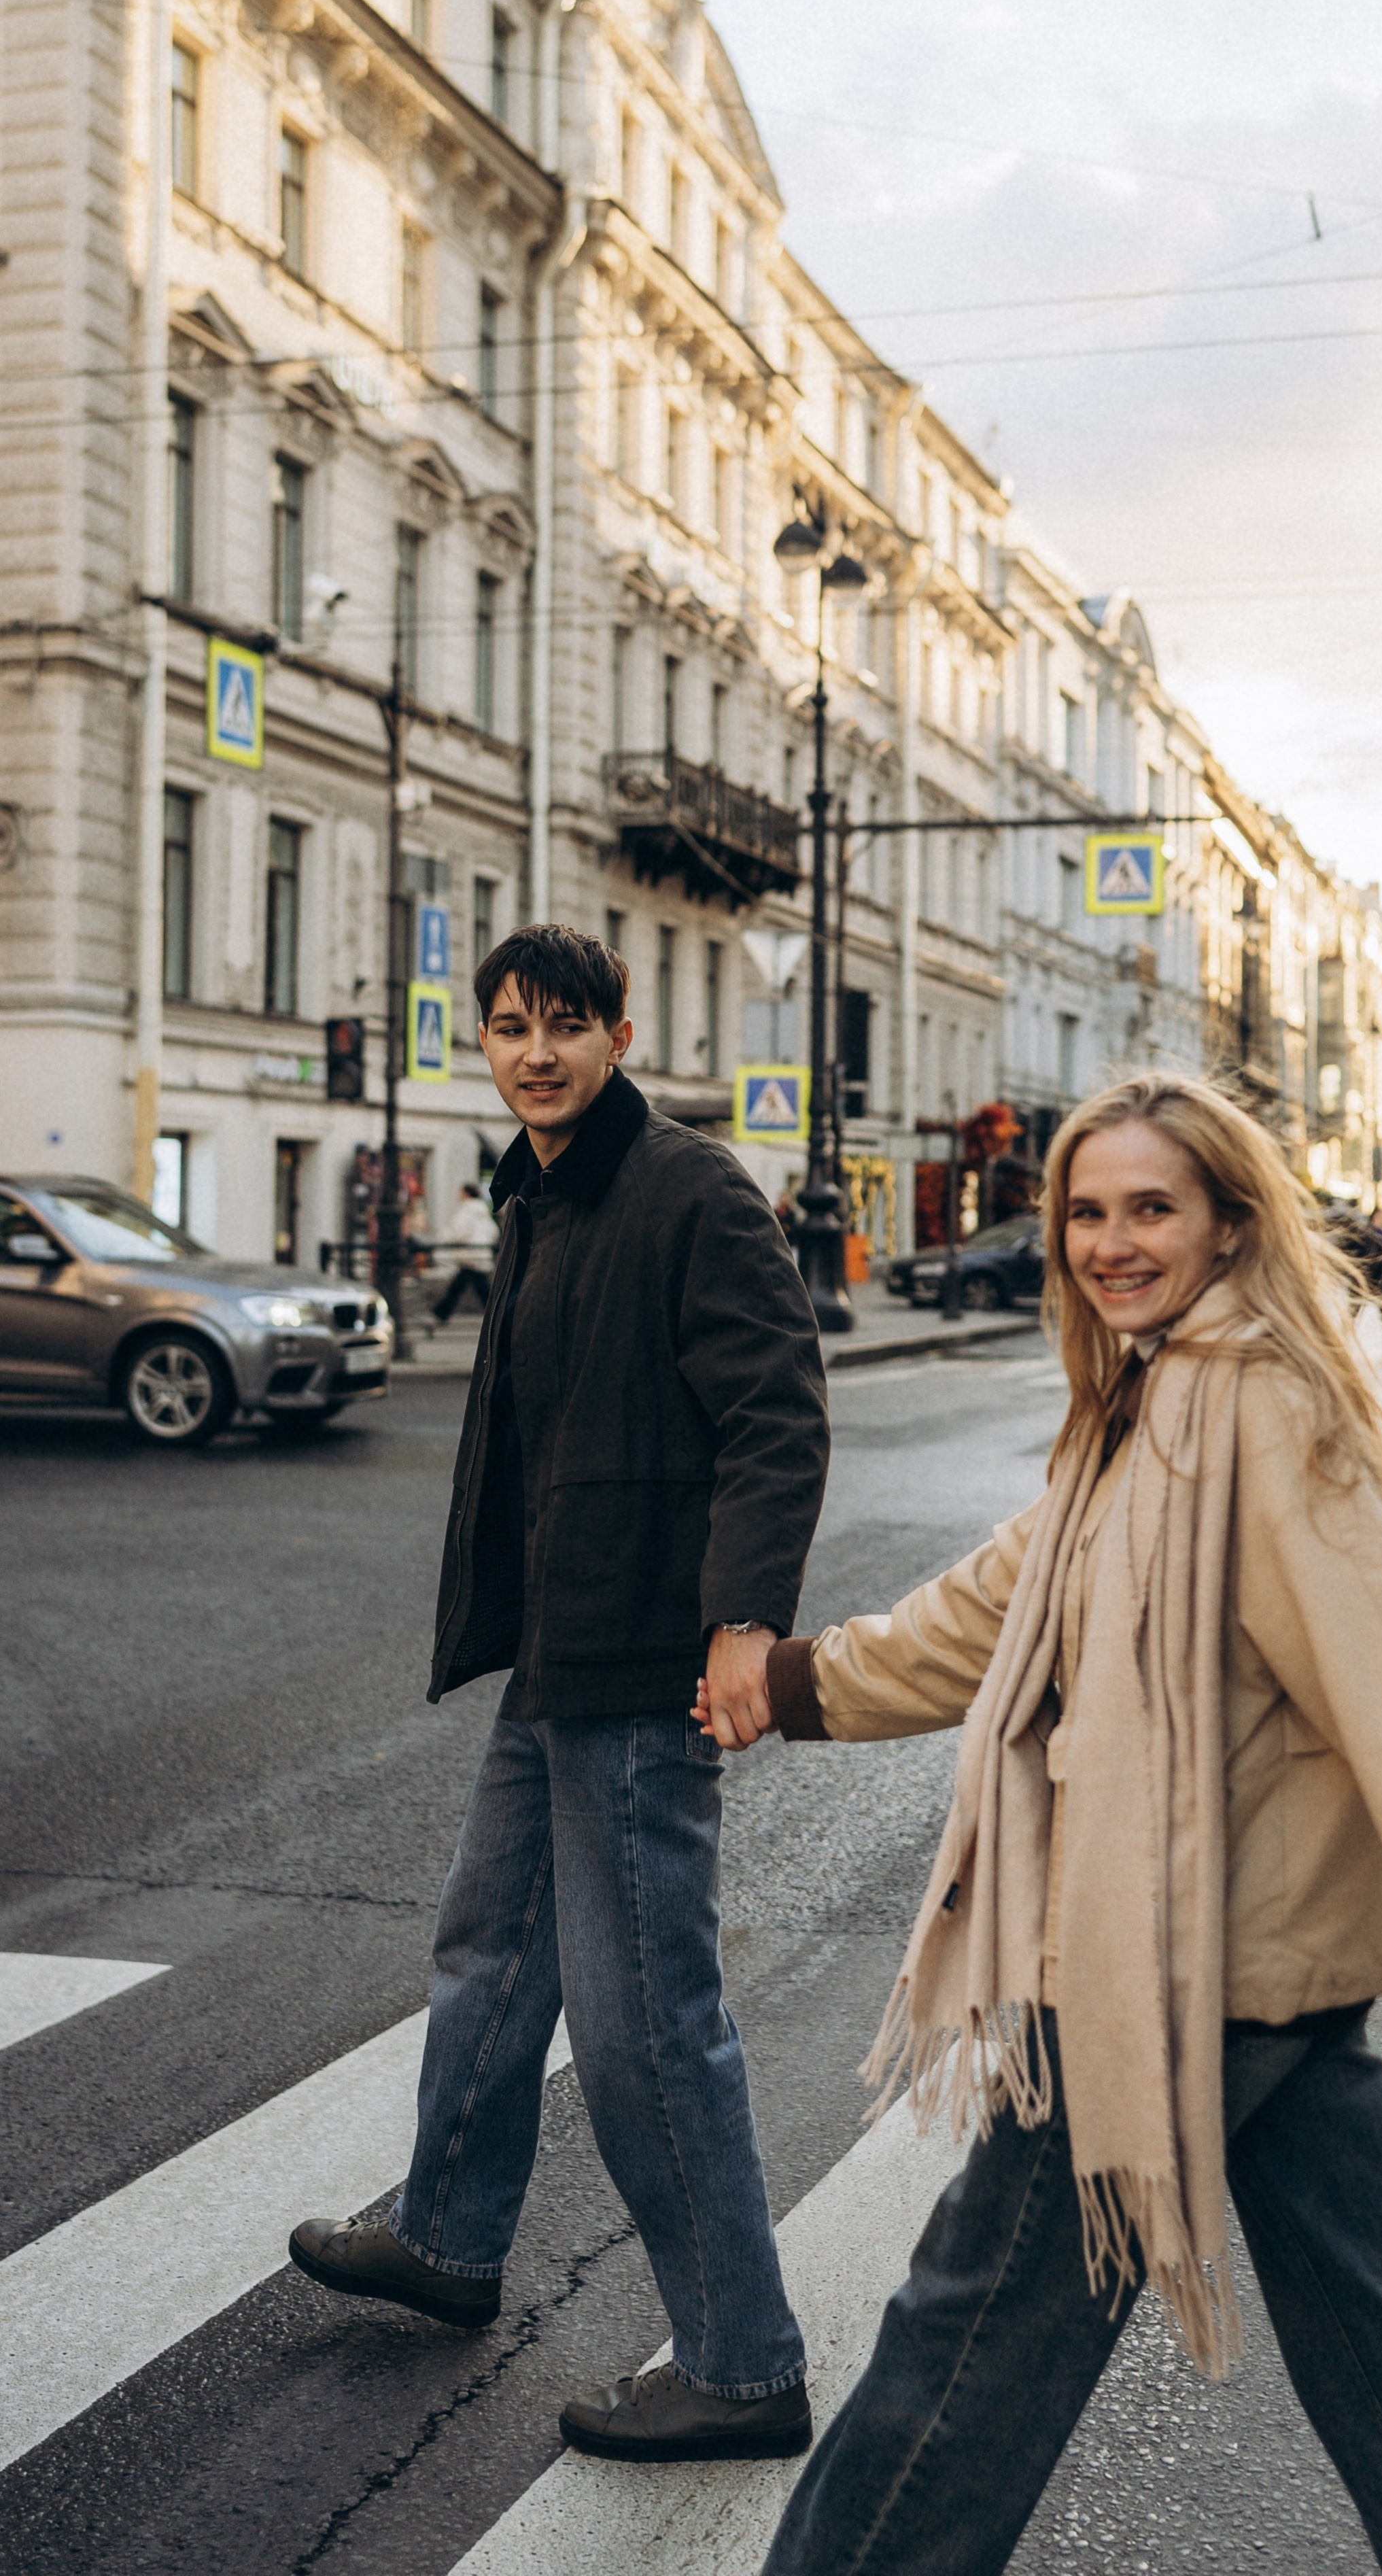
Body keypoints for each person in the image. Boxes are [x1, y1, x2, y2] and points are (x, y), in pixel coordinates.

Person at [704, 1073, 1382, 2576]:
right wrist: (798, 1683)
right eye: (1087, 1209)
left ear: (1226, 1223)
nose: (1110, 1240)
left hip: (1167, 1966)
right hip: (1257, 1976)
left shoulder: (1254, 1417)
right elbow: (983, 1616)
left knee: (957, 2357)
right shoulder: (1144, 1405)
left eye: (1151, 1207)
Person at [290, 924, 829, 2467]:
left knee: (642, 2015)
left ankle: (739, 2357)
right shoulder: (540, 1187)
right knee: (489, 1946)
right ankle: (451, 2237)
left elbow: (775, 1411)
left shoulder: (684, 1186)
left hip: (643, 1659)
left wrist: (740, 1622)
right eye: (510, 1024)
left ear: (619, 1030)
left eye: (565, 1023)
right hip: (556, 1651)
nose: (535, 1048)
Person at [430, 1181, 498, 1322]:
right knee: (471, 1287)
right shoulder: (483, 1211)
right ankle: (441, 1313)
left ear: (466, 1193)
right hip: (481, 1254)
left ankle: (440, 1314)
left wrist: (442, 1235)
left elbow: (460, 1233)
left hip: (469, 1255)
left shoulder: (466, 1211)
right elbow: (494, 1232)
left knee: (468, 1288)